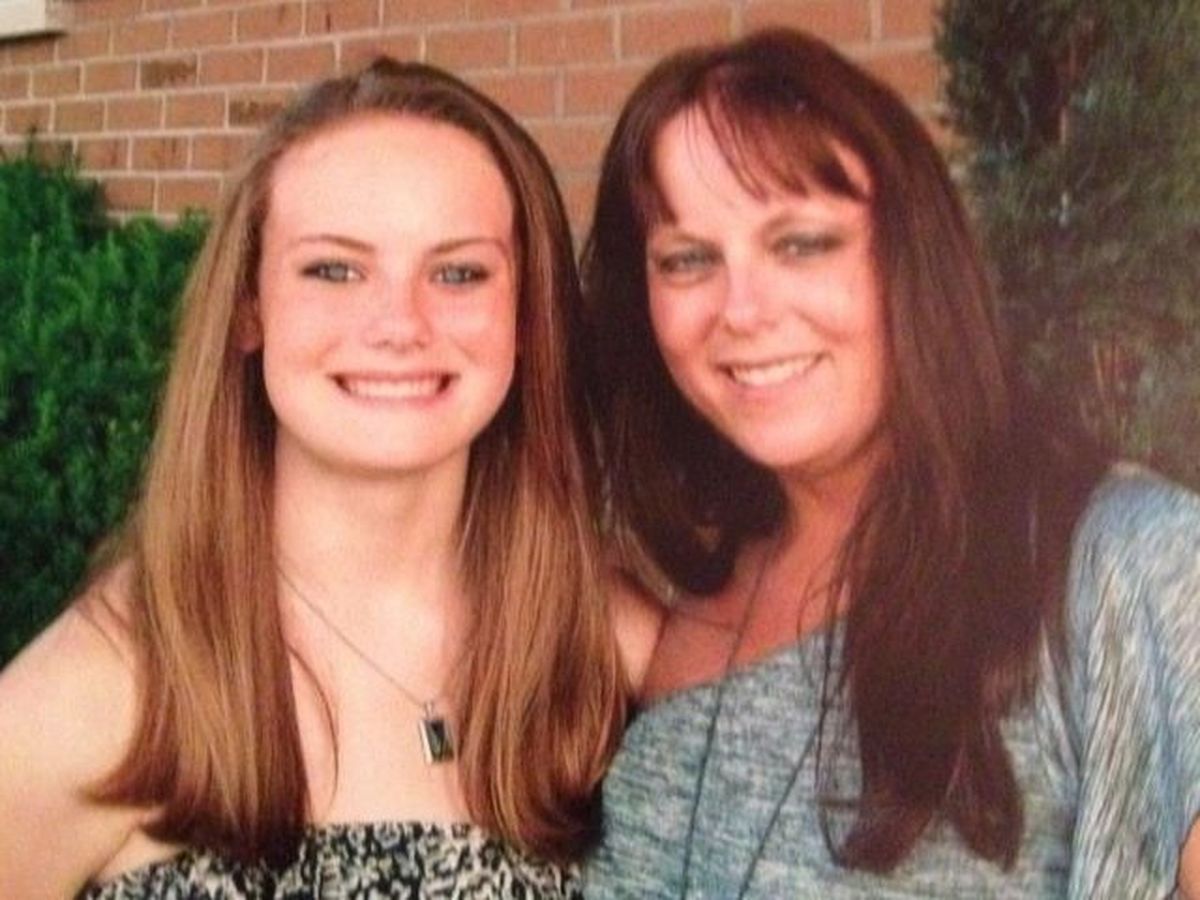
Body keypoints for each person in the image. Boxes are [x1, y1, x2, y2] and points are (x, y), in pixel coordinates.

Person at [581, 28, 1200, 899]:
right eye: (687, 260)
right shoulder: (675, 611)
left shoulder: (1125, 561)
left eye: (802, 243)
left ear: (911, 256)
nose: (741, 309)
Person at [0, 58, 639, 898]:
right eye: (334, 269)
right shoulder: (88, 701)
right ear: (248, 308)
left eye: (458, 272)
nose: (400, 324)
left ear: (526, 316)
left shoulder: (608, 645)